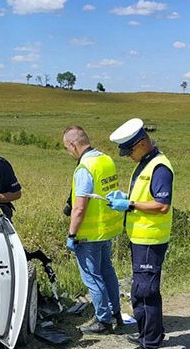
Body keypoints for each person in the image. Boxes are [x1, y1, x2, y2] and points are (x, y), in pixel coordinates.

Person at [107, 118, 174, 349]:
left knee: (145, 292)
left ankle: (149, 348)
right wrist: (126, 197)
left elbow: (162, 205)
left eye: (130, 150)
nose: (128, 156)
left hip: (150, 239)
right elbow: (146, 195)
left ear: (143, 143)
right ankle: (151, 334)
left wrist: (131, 204)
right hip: (141, 237)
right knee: (143, 290)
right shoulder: (147, 163)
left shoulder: (160, 167)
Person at [62, 125, 125, 334]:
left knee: (92, 276)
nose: (69, 153)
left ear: (73, 144)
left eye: (67, 148)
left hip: (89, 233)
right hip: (107, 228)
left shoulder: (84, 168)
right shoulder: (105, 160)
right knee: (108, 272)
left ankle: (103, 320)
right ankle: (116, 313)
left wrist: (72, 234)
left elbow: (79, 208)